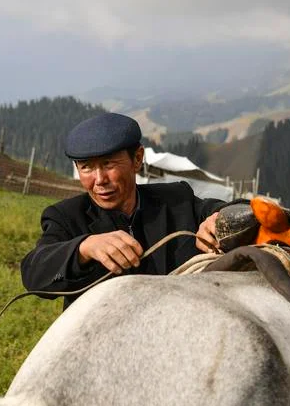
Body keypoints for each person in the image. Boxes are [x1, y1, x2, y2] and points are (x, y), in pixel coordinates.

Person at [20, 112, 226, 309]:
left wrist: (222, 219)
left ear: (137, 159)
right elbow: (34, 274)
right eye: (86, 168)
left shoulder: (177, 200)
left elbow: (239, 208)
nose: (99, 180)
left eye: (108, 164)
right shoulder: (66, 217)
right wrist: (84, 248)